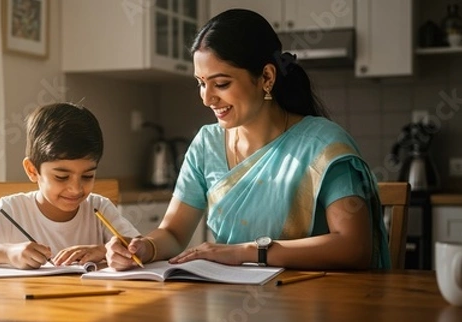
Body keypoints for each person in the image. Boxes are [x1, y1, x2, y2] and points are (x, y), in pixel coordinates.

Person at [106, 9, 391, 271]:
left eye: (221, 84)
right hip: (230, 297)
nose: (207, 98)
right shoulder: (207, 144)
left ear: (266, 77)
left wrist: (249, 252)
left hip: (312, 303)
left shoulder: (324, 146)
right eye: (201, 83)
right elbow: (174, 233)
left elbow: (354, 247)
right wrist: (146, 246)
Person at [0, 103, 140, 269]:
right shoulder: (11, 210)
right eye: (62, 177)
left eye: (88, 176)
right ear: (32, 170)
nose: (76, 189)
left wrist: (102, 250)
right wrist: (8, 252)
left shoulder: (100, 208)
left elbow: (141, 248)